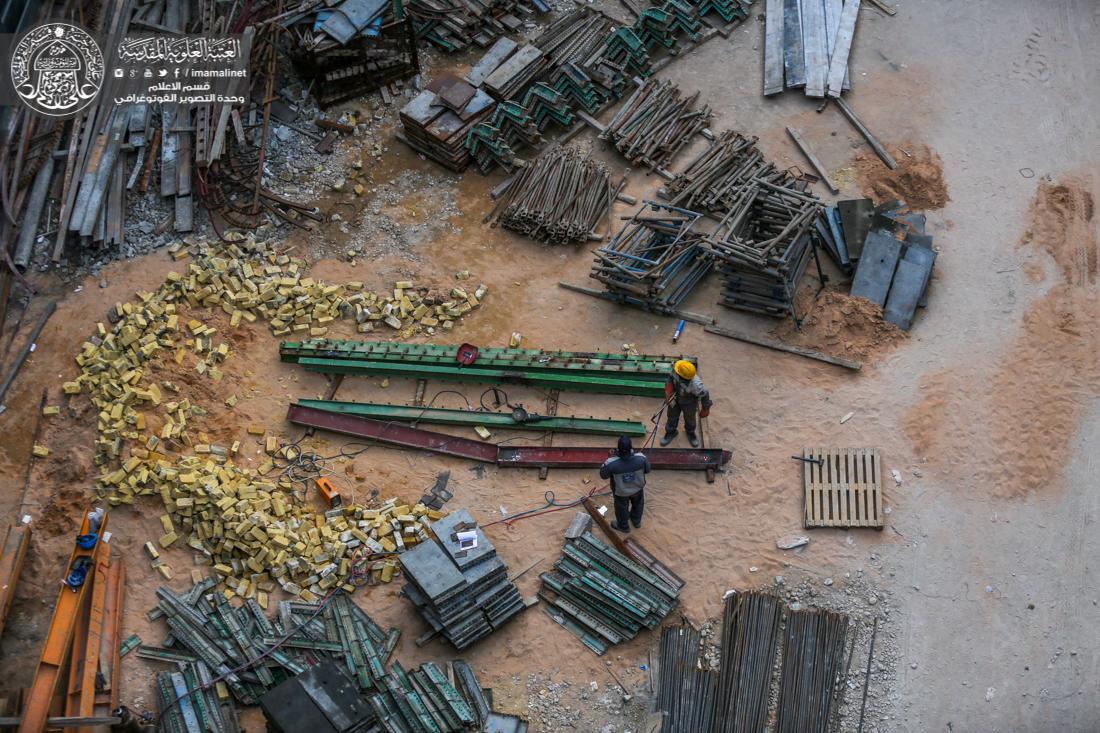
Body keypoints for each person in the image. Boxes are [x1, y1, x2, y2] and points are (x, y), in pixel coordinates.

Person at [600, 435, 651, 532]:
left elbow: (603, 475)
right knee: (638, 504)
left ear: (618, 449)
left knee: (621, 508)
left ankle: (623, 527)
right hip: (637, 489)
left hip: (621, 492)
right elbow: (647, 470)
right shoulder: (641, 458)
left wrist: (610, 458)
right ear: (631, 448)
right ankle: (636, 521)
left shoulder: (611, 463)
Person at [661, 360, 712, 447]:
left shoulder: (696, 385)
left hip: (689, 403)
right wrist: (668, 387)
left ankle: (690, 432)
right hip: (675, 397)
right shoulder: (678, 368)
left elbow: (705, 394)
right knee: (671, 416)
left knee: (690, 419)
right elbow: (670, 377)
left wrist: (705, 408)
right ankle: (671, 432)